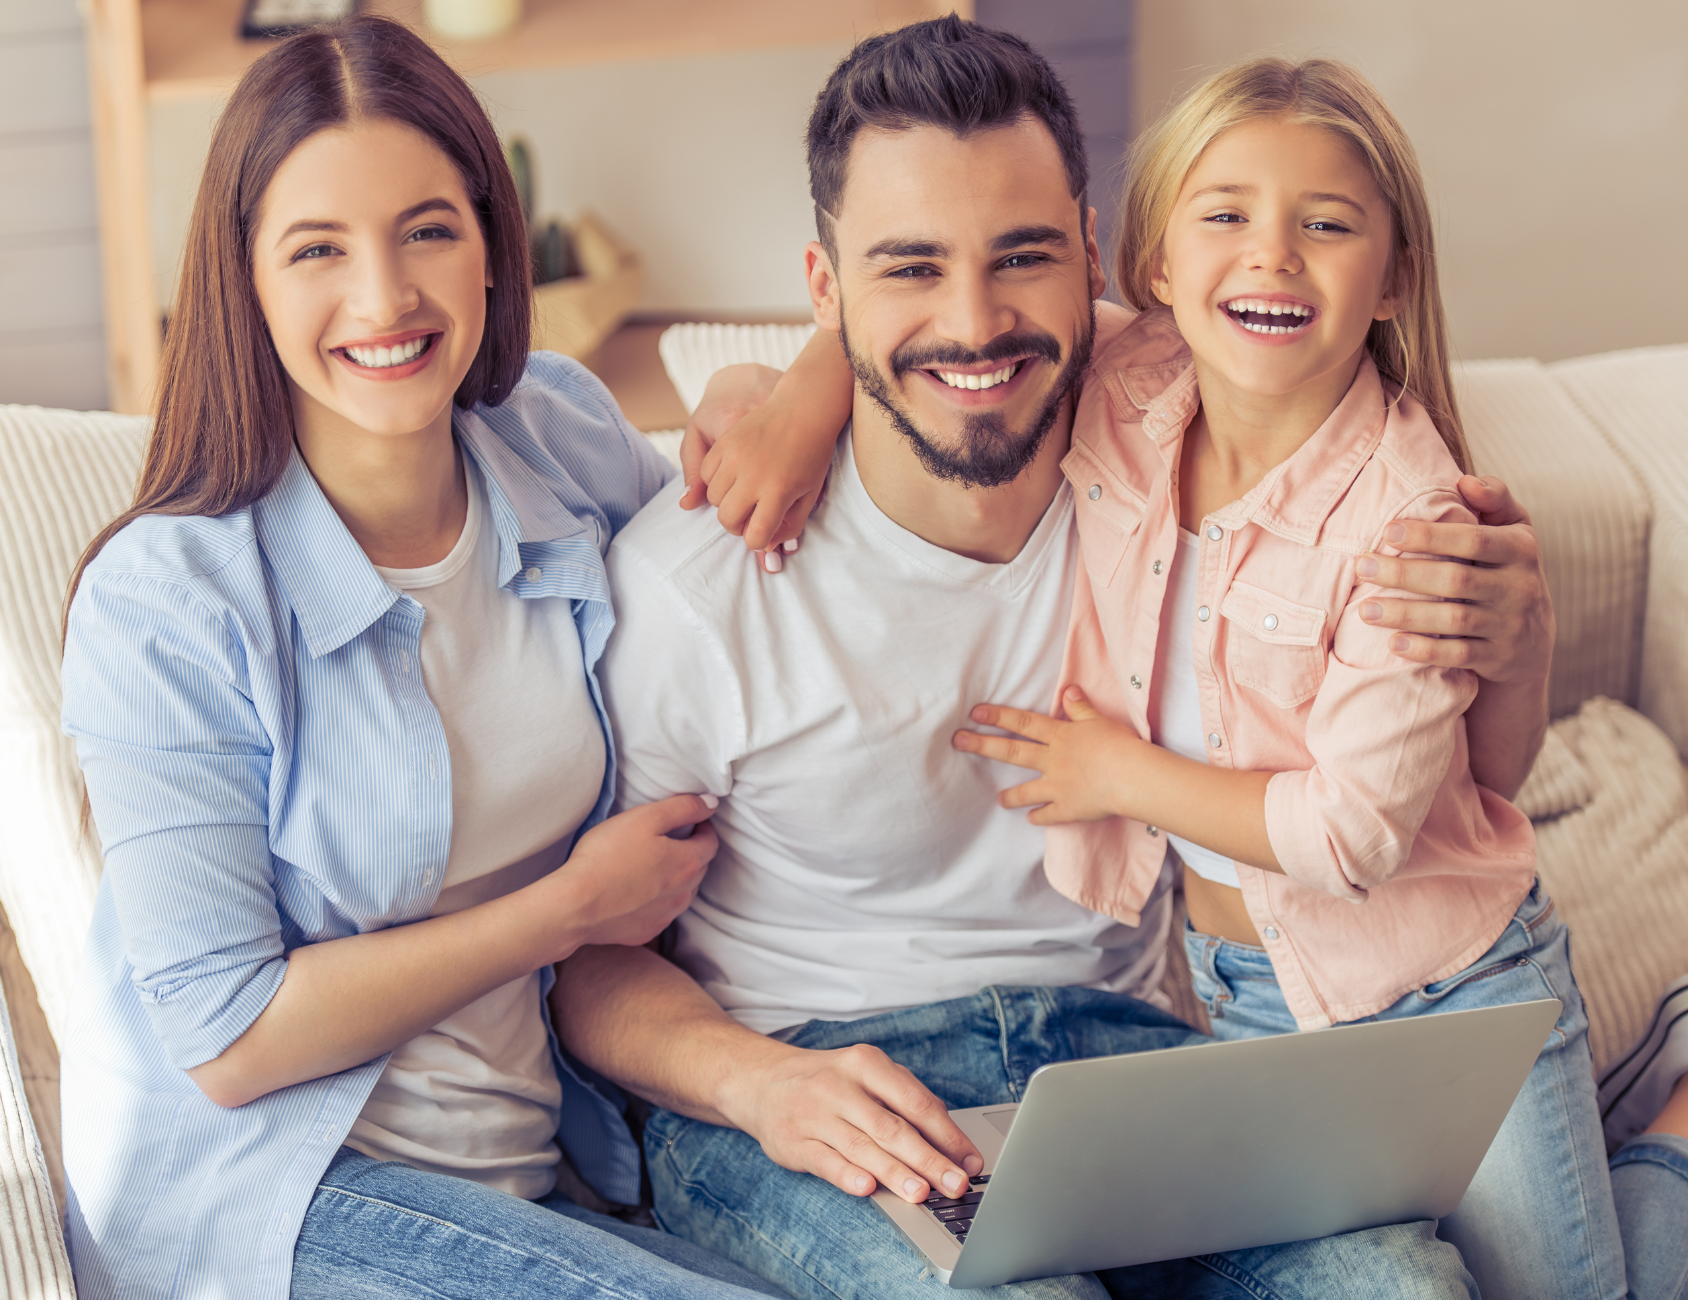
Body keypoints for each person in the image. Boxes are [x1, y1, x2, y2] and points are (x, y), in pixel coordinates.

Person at [551, 18, 1551, 1300]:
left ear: (1092, 258)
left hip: (1120, 1060)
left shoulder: (1155, 446)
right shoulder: (699, 586)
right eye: (910, 268)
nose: (976, 326)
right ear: (824, 287)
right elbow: (587, 960)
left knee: (1401, 1287)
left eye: (1021, 257)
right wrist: (762, 1085)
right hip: (811, 1076)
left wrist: (1519, 629)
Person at [57, 17, 788, 1300]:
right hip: (284, 1200)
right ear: (245, 281)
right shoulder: (167, 602)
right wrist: (568, 910)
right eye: (318, 249)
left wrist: (770, 393)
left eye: (427, 231)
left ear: (494, 247)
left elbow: (728, 568)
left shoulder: (556, 430)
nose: (385, 297)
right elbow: (228, 1037)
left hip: (544, 1173)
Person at [943, 56, 1679, 1300]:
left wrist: (1115, 773)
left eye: (1326, 224)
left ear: (1392, 279)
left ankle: (1669, 1139)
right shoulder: (1125, 382)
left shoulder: (1413, 522)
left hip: (1453, 992)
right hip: (1247, 995)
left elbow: (1349, 837)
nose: (1272, 254)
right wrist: (777, 396)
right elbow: (954, 341)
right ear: (1156, 264)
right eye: (1225, 214)